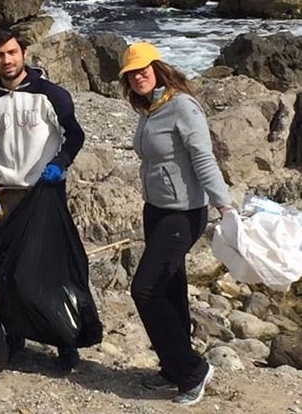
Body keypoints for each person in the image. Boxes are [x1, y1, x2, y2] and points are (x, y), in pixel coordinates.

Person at [118, 42, 233, 405]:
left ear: (158, 66)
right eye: (131, 73)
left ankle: (192, 371)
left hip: (184, 213)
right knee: (169, 288)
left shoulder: (182, 106)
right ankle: (172, 367)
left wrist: (224, 205)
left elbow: (203, 157)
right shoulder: (149, 108)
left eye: (143, 69)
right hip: (156, 209)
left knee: (145, 290)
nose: (138, 76)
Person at [0, 28, 85, 371]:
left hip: (45, 192)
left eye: (12, 52)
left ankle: (64, 342)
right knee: (3, 271)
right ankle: (15, 335)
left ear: (23, 52)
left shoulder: (51, 95)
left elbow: (75, 134)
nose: (7, 60)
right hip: (7, 195)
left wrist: (60, 163)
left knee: (50, 270)